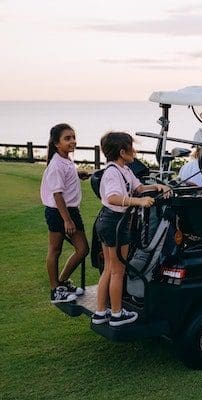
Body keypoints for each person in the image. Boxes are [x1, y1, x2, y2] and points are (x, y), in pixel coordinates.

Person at [91, 132, 171, 326]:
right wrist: (138, 202)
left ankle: (101, 312)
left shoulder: (124, 169)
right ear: (121, 152)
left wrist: (159, 187)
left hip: (111, 222)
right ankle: (117, 314)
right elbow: (113, 198)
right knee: (117, 271)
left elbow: (139, 188)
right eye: (131, 147)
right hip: (114, 222)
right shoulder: (112, 172)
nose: (134, 151)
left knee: (110, 269)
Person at [41, 123, 91, 303]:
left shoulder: (66, 160)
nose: (73, 141)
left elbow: (65, 178)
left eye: (73, 137)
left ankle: (62, 281)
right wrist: (67, 220)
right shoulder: (55, 165)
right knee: (55, 250)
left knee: (83, 249)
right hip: (59, 213)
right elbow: (57, 195)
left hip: (70, 211)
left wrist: (77, 174)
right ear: (56, 143)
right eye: (67, 138)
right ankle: (56, 290)